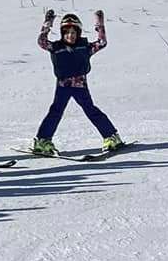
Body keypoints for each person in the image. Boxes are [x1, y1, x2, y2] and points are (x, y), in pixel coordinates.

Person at [30, 9, 126, 156]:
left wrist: (99, 24)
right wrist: (47, 24)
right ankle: (43, 140)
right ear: (62, 34)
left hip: (80, 86)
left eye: (74, 33)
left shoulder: (85, 47)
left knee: (91, 110)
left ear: (79, 33)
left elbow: (102, 42)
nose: (70, 36)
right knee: (55, 112)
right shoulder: (56, 47)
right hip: (63, 86)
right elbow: (42, 42)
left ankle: (111, 137)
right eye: (67, 33)